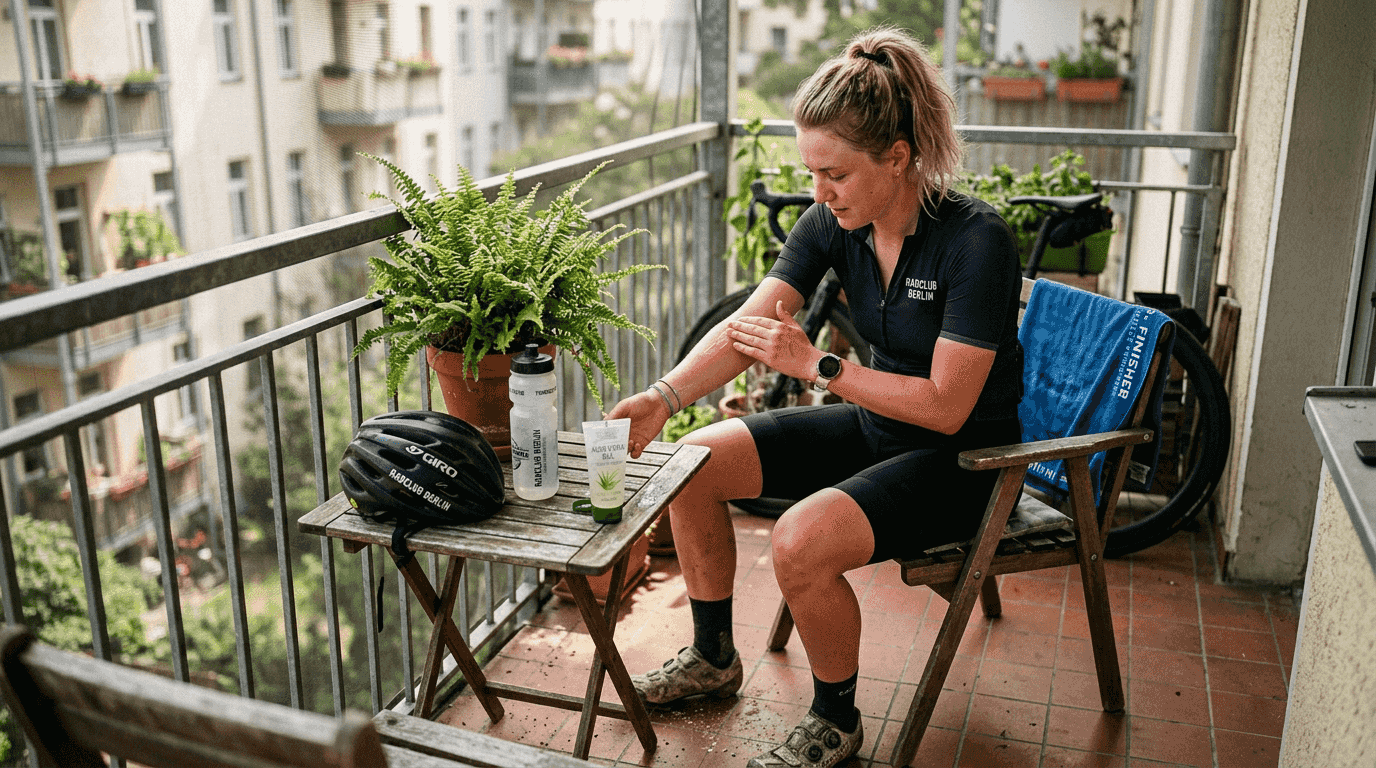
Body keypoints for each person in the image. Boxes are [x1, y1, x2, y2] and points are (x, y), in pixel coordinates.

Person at [605, 25, 1024, 768]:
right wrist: (664, 396)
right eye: (811, 172)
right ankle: (712, 656)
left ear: (897, 158)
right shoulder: (837, 220)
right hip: (876, 428)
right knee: (691, 461)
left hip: (964, 464)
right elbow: (750, 327)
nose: (820, 192)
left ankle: (836, 719)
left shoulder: (974, 241)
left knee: (800, 540)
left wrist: (822, 369)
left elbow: (946, 408)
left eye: (834, 173)